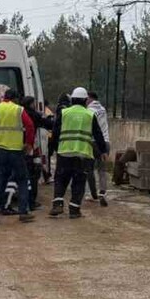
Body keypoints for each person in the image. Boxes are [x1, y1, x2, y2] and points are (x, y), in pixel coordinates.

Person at [0, 88, 36, 225]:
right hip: (16, 151)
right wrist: (28, 144)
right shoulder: (19, 110)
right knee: (22, 180)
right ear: (15, 98)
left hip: (0, 151)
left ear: (4, 97)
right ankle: (23, 212)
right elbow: (30, 126)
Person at [50, 87, 107, 218]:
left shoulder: (64, 113)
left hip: (64, 152)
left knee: (61, 178)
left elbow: (55, 132)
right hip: (83, 154)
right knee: (79, 181)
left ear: (73, 100)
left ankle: (57, 204)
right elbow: (98, 134)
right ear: (85, 100)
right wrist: (103, 150)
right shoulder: (89, 115)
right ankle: (74, 210)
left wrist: (54, 148)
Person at [21, 95, 51, 210]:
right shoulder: (33, 114)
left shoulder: (19, 113)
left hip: (18, 147)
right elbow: (47, 123)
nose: (35, 105)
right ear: (30, 104)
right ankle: (31, 201)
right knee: (33, 174)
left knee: (22, 176)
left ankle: (24, 201)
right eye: (33, 103)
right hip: (30, 147)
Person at [85, 90, 111, 207]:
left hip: (93, 142)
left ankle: (92, 194)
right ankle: (102, 193)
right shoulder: (103, 109)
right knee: (102, 170)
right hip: (106, 142)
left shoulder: (88, 111)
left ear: (90, 98)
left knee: (89, 169)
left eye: (86, 98)